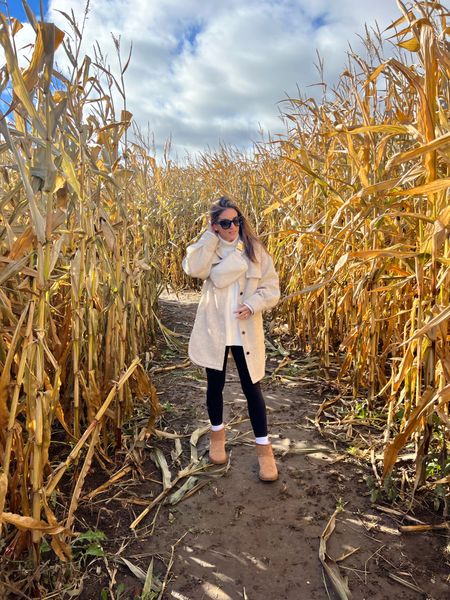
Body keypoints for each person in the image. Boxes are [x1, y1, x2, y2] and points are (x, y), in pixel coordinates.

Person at [182, 196, 280, 481]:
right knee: (215, 385)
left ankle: (265, 452)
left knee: (253, 390)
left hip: (244, 332)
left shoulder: (254, 251)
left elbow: (271, 288)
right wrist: (209, 239)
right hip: (216, 330)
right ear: (214, 226)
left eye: (236, 221)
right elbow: (192, 268)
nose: (232, 227)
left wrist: (252, 305)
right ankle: (217, 438)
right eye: (225, 223)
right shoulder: (207, 251)